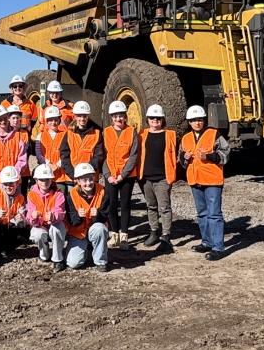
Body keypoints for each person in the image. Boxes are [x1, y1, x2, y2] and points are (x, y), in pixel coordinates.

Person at [178, 105, 232, 260]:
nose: (197, 123)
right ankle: (206, 242)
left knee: (214, 214)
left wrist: (209, 157)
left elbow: (226, 154)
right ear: (189, 122)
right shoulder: (186, 138)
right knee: (202, 214)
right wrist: (184, 158)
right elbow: (181, 160)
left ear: (204, 121)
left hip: (212, 180)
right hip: (195, 181)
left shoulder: (214, 134)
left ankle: (218, 248)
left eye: (200, 120)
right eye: (194, 120)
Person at [139, 104, 178, 254]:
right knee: (151, 206)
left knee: (165, 208)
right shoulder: (142, 134)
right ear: (147, 119)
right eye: (152, 118)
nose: (155, 120)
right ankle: (154, 232)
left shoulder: (170, 135)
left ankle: (166, 236)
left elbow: (175, 156)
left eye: (158, 118)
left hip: (163, 178)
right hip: (146, 178)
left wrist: (172, 176)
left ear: (162, 119)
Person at [103, 100, 139, 249]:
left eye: (121, 116)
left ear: (125, 116)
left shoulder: (132, 132)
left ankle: (124, 236)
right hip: (110, 175)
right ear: (111, 118)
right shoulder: (106, 132)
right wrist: (108, 175)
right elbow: (103, 156)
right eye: (115, 116)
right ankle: (114, 235)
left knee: (125, 205)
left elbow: (133, 156)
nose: (118, 119)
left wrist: (122, 175)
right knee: (111, 205)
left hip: (127, 176)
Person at [63, 162, 109, 272]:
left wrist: (97, 215)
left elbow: (105, 216)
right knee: (73, 263)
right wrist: (78, 216)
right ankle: (87, 248)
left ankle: (100, 261)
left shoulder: (103, 192)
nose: (88, 183)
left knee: (100, 228)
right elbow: (71, 221)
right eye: (84, 180)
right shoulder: (71, 195)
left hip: (94, 229)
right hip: (78, 232)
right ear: (78, 181)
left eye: (90, 179)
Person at [26, 162, 67, 272]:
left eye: (47, 179)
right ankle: (44, 254)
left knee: (57, 228)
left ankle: (58, 259)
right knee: (36, 234)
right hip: (41, 225)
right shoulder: (31, 195)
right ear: (36, 180)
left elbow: (61, 212)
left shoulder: (59, 194)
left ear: (51, 180)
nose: (44, 182)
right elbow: (29, 216)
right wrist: (33, 216)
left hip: (54, 224)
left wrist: (54, 216)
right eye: (41, 179)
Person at [59, 101, 105, 182]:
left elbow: (99, 156)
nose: (82, 119)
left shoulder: (97, 133)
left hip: (91, 178)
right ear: (75, 117)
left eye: (85, 116)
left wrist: (87, 173)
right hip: (73, 178)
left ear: (88, 116)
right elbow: (64, 155)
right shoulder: (69, 133)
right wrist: (73, 174)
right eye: (79, 116)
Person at [0, 104, 27, 186]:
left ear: (8, 118)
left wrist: (14, 173)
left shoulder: (17, 136)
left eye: (4, 118)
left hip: (14, 180)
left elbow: (22, 158)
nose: (3, 121)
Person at [35, 105, 69, 184]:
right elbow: (38, 154)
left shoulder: (66, 135)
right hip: (45, 173)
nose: (53, 122)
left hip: (61, 174)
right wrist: (49, 164)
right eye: (50, 120)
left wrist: (58, 165)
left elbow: (68, 153)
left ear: (59, 120)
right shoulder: (40, 135)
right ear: (46, 121)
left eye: (55, 120)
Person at [6, 103, 34, 196]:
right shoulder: (4, 134)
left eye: (17, 118)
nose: (15, 120)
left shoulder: (25, 133)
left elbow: (25, 152)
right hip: (8, 171)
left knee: (22, 197)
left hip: (23, 172)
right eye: (13, 118)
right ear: (8, 119)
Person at [1, 74, 39, 140]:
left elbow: (34, 121)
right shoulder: (4, 104)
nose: (17, 88)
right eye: (15, 86)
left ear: (23, 88)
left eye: (20, 86)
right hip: (9, 138)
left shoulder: (30, 104)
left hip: (25, 138)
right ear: (12, 89)